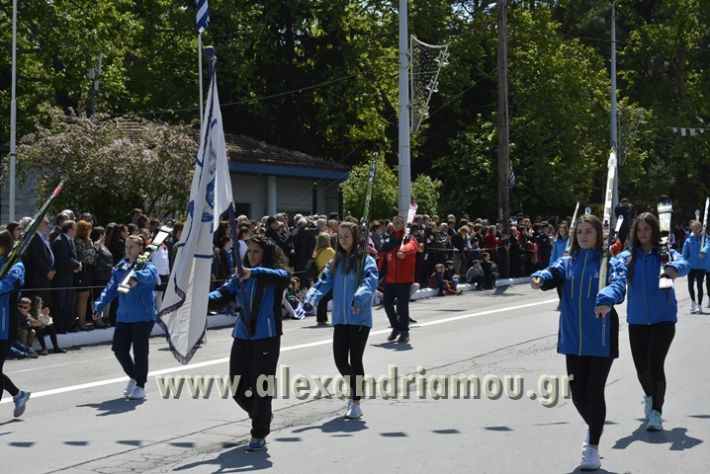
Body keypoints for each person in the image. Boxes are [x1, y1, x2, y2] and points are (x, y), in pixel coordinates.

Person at [530, 215, 626, 471]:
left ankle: (592, 447)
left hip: (601, 336)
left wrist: (607, 296)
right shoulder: (567, 262)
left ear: (597, 236)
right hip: (573, 338)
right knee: (578, 395)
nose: (583, 236)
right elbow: (552, 272)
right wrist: (540, 277)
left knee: (595, 392)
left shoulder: (608, 262)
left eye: (588, 232)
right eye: (580, 232)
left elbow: (619, 285)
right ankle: (595, 426)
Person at [208, 235, 290, 451]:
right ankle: (261, 415)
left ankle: (259, 433)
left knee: (261, 388)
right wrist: (201, 300)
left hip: (266, 337)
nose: (252, 255)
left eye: (256, 251)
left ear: (266, 254)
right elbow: (222, 294)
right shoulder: (240, 276)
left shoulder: (273, 276)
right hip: (243, 336)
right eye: (250, 251)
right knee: (237, 387)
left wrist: (252, 272)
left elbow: (283, 276)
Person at [612, 212, 689, 432]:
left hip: (663, 318)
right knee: (641, 369)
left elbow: (684, 262)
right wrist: (608, 259)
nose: (643, 233)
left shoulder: (664, 254)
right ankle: (649, 396)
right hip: (636, 320)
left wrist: (675, 269)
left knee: (655, 363)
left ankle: (656, 412)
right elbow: (614, 266)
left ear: (654, 231)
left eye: (647, 229)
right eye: (639, 229)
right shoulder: (629, 256)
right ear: (635, 232)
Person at [305, 222, 378, 419]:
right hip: (340, 319)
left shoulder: (365, 260)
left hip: (359, 318)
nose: (343, 240)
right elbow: (323, 282)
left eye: (347, 236)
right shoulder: (336, 261)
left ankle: (355, 401)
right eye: (341, 236)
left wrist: (359, 298)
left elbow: (369, 281)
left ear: (355, 238)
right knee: (339, 359)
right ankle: (357, 386)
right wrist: (310, 300)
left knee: (355, 359)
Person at [92, 235, 159, 400]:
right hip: (124, 316)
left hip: (143, 316)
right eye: (126, 246)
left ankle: (141, 386)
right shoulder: (121, 267)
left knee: (140, 351)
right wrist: (99, 306)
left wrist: (137, 277)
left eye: (131, 247)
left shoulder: (146, 266)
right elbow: (111, 289)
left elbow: (151, 277)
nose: (128, 250)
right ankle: (134, 376)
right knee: (119, 349)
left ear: (140, 248)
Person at [0, 230, 31, 417]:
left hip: (6, 324)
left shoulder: (16, 264)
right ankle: (19, 394)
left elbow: (11, 282)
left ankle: (18, 394)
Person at [379, 216, 419, 344]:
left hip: (404, 279)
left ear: (403, 224)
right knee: (387, 304)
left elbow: (413, 246)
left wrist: (404, 251)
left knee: (402, 307)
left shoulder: (408, 238)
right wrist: (376, 272)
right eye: (394, 222)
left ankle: (404, 332)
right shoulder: (388, 239)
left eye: (398, 223)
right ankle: (395, 327)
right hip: (390, 279)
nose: (396, 224)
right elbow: (382, 257)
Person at [311, 232, 336, 326]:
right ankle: (323, 318)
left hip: (320, 276)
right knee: (331, 296)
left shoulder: (316, 251)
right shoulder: (329, 250)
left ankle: (321, 318)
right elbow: (337, 260)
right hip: (329, 276)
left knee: (323, 298)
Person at [682, 221, 705, 314]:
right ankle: (693, 303)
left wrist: (704, 253)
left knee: (699, 286)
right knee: (690, 285)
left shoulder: (703, 239)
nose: (695, 230)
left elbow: (708, 247)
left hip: (701, 266)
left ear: (700, 229)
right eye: (693, 228)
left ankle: (699, 305)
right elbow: (685, 253)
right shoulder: (688, 240)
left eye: (697, 228)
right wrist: (683, 262)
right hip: (691, 266)